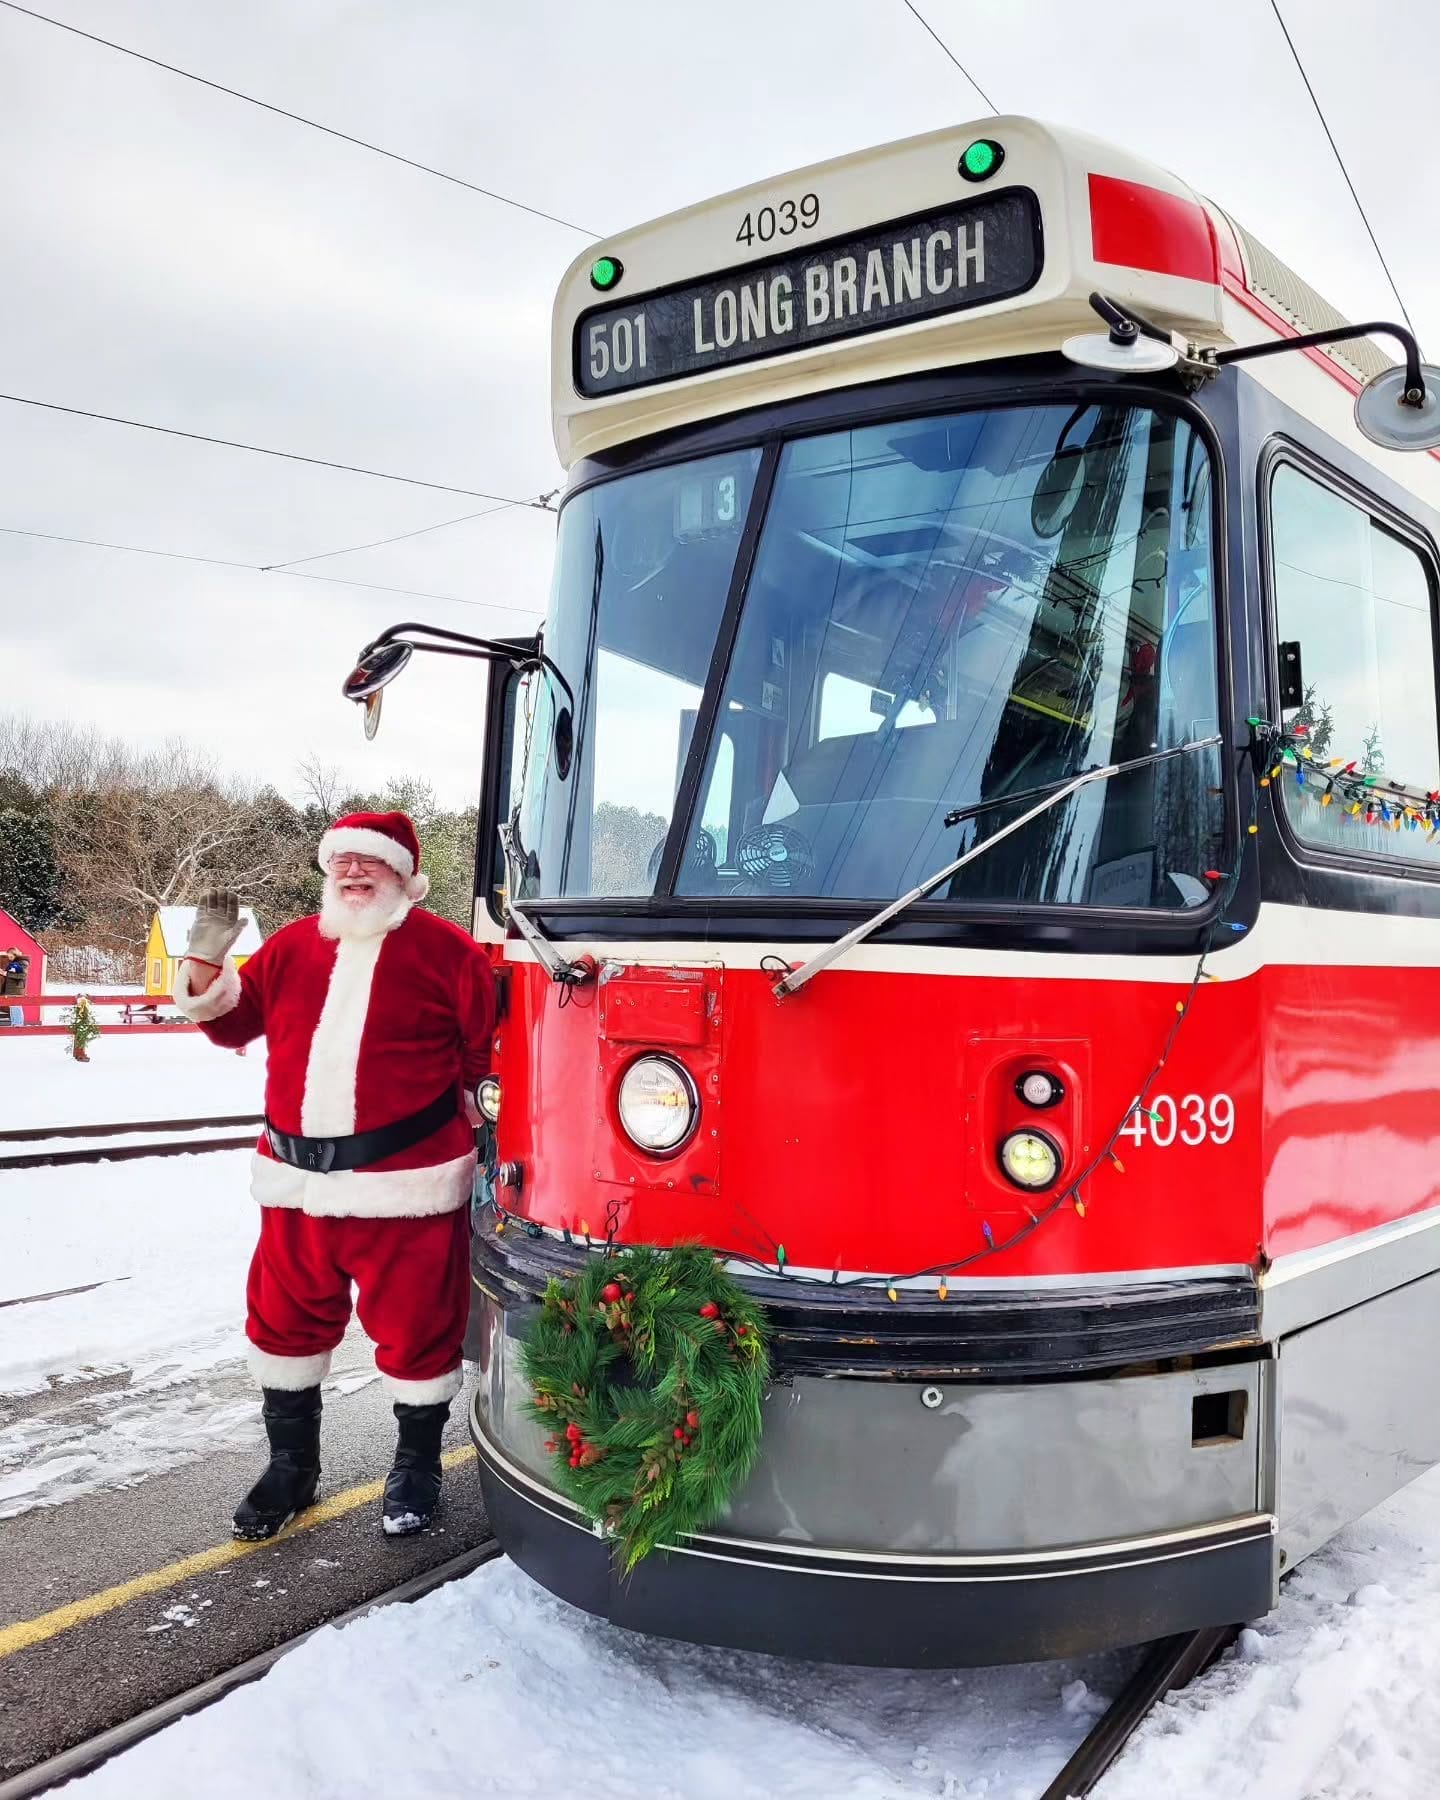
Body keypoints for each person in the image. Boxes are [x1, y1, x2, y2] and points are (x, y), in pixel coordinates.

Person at [173, 811, 496, 1540]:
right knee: (283, 1326)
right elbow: (230, 1024)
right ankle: (292, 1466)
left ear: (406, 877)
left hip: (406, 1188)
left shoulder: (448, 952)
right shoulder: (291, 947)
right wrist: (205, 962)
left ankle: (416, 1465)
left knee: (418, 1331)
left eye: (370, 863)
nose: (353, 872)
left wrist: (476, 1111)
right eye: (342, 861)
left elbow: (484, 1050)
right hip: (296, 1187)